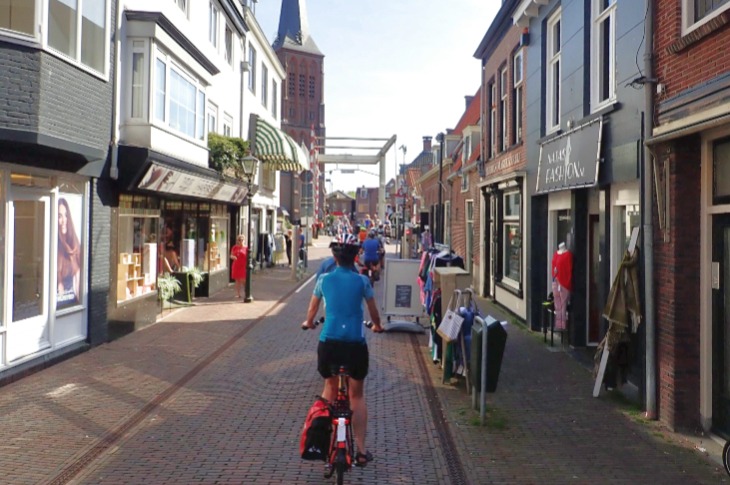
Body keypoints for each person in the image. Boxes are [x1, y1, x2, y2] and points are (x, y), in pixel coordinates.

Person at [301, 234, 383, 467]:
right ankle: (361, 450)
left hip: (330, 344)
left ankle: (324, 443)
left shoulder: (324, 280)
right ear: (354, 257)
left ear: (334, 257)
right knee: (356, 395)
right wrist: (377, 326)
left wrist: (308, 322)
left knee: (329, 388)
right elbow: (373, 312)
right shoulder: (362, 281)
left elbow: (312, 309)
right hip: (355, 344)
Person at [57, 197, 81, 307]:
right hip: (58, 303)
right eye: (59, 216)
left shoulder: (74, 244)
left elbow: (78, 276)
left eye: (66, 215)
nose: (63, 221)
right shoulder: (55, 245)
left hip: (72, 302)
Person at [551, 242, 573, 331]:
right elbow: (553, 267)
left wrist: (567, 282)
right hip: (556, 281)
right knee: (557, 303)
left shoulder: (568, 255)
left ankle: (562, 325)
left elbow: (569, 269)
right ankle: (558, 324)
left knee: (563, 304)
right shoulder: (556, 254)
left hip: (564, 282)